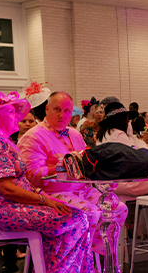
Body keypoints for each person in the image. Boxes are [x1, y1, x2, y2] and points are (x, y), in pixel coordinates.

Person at [0, 91, 96, 273]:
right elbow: (7, 189)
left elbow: (20, 184)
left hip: (8, 206)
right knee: (76, 218)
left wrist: (44, 197)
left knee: (72, 215)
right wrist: (45, 200)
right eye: (11, 111)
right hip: (0, 210)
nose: (17, 115)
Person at [19, 91, 128, 256]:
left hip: (81, 190)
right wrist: (61, 166)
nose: (62, 115)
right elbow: (31, 177)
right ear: (47, 109)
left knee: (118, 208)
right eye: (57, 109)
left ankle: (90, 255)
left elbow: (85, 165)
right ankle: (80, 261)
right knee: (91, 213)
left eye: (67, 111)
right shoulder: (33, 137)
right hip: (52, 194)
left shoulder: (75, 134)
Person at [97, 102, 148, 196]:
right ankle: (139, 210)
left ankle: (133, 209)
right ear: (120, 120)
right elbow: (132, 160)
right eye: (127, 119)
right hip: (121, 182)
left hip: (103, 182)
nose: (128, 122)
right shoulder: (119, 134)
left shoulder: (101, 135)